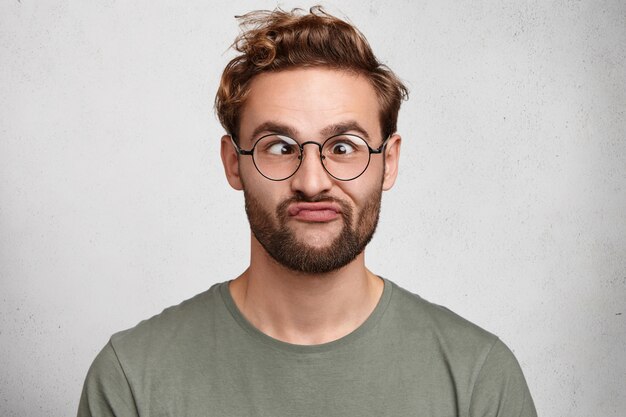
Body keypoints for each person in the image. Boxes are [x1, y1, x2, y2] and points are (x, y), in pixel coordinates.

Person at [77, 6, 536, 417]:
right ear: (234, 163)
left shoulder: (479, 379)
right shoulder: (132, 378)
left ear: (388, 161)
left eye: (343, 146)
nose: (312, 181)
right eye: (279, 146)